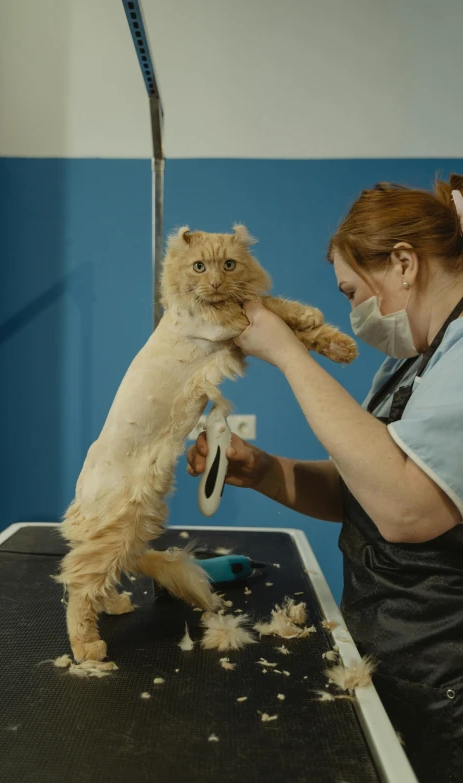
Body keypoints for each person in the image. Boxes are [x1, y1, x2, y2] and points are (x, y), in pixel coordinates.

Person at [187, 175, 463, 783]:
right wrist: (263, 472)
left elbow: (410, 510)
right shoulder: (410, 363)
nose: (354, 314)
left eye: (352, 292)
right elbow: (364, 488)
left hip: (451, 679)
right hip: (396, 654)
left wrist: (289, 354)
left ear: (404, 264)